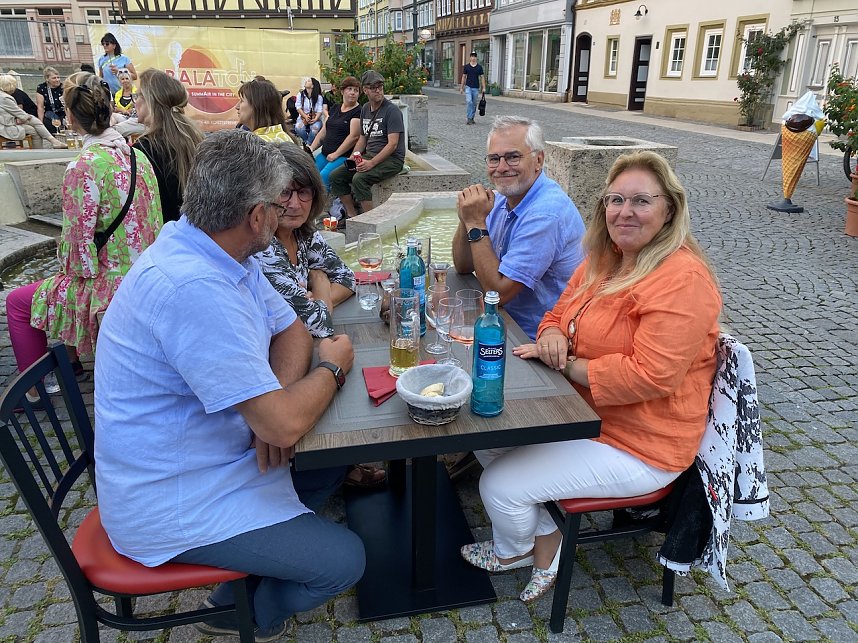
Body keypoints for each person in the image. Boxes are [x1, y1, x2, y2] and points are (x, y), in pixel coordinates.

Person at [94, 129, 365, 640]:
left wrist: (274, 410)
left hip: (208, 458)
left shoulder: (214, 249)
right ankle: (242, 616)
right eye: (278, 200)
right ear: (257, 216)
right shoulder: (196, 288)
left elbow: (288, 326)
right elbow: (287, 418)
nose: (288, 208)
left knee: (325, 467)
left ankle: (251, 569)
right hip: (172, 498)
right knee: (345, 560)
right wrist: (331, 368)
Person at [462, 151, 722, 605]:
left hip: (642, 443)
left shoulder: (682, 279)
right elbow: (555, 314)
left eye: (641, 200)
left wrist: (565, 364)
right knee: (484, 428)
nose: (625, 211)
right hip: (583, 412)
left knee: (498, 485)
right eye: (615, 199)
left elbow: (650, 376)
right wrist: (553, 334)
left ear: (669, 209)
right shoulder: (606, 258)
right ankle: (546, 534)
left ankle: (518, 550)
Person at [5, 71, 161, 400]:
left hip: (110, 286)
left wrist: (69, 275)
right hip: (147, 276)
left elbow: (77, 253)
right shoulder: (139, 157)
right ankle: (71, 361)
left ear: (72, 118)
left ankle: (35, 391)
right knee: (58, 290)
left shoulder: (82, 166)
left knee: (18, 302)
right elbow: (153, 222)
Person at [256, 142, 386, 489]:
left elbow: (348, 278)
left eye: (304, 193)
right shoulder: (264, 247)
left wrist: (319, 288)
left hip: (301, 349)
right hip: (270, 370)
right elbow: (318, 321)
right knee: (343, 370)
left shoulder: (302, 235)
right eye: (285, 193)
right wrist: (319, 284)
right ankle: (320, 473)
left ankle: (342, 464)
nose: (295, 204)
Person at [452, 115, 585, 340]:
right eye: (494, 159)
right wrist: (466, 217)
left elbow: (499, 294)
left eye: (513, 157)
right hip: (504, 321)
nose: (501, 168)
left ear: (539, 160)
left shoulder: (546, 213)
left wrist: (475, 223)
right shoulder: (503, 198)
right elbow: (463, 266)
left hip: (537, 338)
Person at [328, 70, 405, 219]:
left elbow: (392, 145)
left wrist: (371, 163)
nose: (378, 90)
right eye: (373, 87)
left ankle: (370, 219)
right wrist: (352, 158)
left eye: (380, 86)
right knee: (336, 176)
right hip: (370, 155)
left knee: (359, 179)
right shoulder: (365, 109)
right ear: (365, 90)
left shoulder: (392, 111)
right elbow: (362, 139)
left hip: (392, 159)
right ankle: (352, 215)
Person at [133, 68, 204, 223]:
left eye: (138, 96)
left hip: (163, 235)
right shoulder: (194, 137)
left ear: (150, 101)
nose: (135, 101)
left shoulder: (144, 149)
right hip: (196, 231)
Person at [309, 75, 361, 190]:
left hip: (343, 156)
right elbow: (324, 131)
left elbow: (354, 137)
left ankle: (323, 207)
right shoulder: (335, 108)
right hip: (325, 153)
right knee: (309, 176)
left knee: (323, 178)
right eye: (349, 89)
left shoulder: (358, 111)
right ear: (342, 91)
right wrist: (311, 149)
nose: (353, 93)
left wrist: (336, 154)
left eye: (356, 90)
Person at [0, 74, 66, 149]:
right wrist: (26, 117)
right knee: (34, 127)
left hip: (8, 122)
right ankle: (50, 144)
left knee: (34, 125)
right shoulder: (5, 98)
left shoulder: (3, 96)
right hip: (5, 126)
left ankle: (53, 142)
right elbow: (20, 113)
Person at [235, 77, 300, 145]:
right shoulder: (282, 137)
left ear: (258, 105)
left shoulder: (258, 144)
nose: (237, 106)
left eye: (242, 101)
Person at [295, 77, 325, 146]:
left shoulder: (319, 97)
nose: (306, 81)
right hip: (303, 116)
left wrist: (315, 119)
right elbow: (298, 107)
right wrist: (305, 116)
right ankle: (307, 142)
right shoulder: (301, 94)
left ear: (312, 86)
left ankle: (308, 144)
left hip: (315, 117)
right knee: (298, 128)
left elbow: (319, 110)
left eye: (309, 81)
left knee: (315, 129)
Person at [36, 66, 66, 134]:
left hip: (63, 113)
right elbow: (40, 106)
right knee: (48, 124)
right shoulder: (42, 88)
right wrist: (41, 122)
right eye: (54, 78)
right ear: (47, 79)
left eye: (58, 77)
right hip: (50, 114)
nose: (57, 80)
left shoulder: (63, 87)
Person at [460, 52, 485, 125]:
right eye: (472, 56)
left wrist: (484, 87)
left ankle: (472, 118)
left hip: (476, 88)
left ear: (476, 58)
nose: (473, 58)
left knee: (474, 104)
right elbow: (464, 76)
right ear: (470, 58)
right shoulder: (467, 67)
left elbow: (482, 77)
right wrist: (461, 87)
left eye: (474, 57)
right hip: (468, 87)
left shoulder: (479, 67)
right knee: (469, 101)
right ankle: (469, 118)